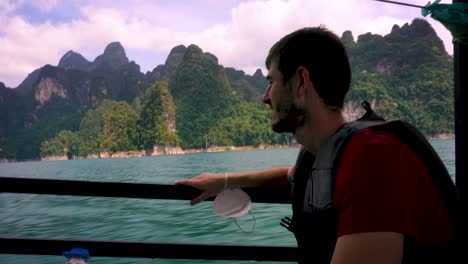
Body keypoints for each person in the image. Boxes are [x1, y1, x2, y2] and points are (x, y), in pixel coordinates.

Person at [176, 26, 460, 263]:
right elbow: (291, 176)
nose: (264, 97)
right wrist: (224, 181)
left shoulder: (373, 157)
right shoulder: (324, 155)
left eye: (271, 81)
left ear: (301, 82)